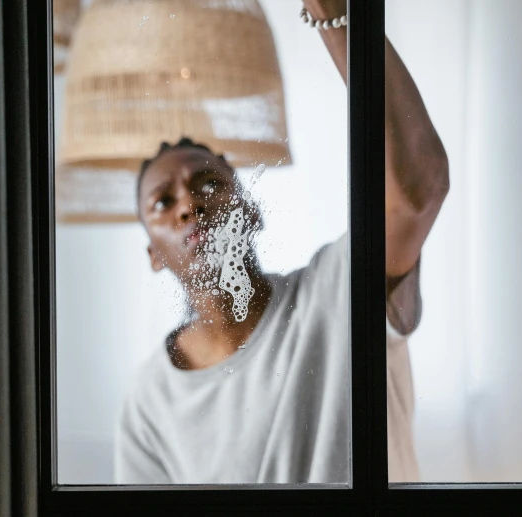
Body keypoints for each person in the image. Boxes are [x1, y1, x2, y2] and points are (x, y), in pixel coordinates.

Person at [114, 0, 449, 484]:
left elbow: (417, 191)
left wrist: (339, 18)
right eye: (163, 203)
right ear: (152, 256)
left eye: (209, 183)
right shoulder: (149, 405)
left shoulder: (337, 293)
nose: (189, 204)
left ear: (250, 212)